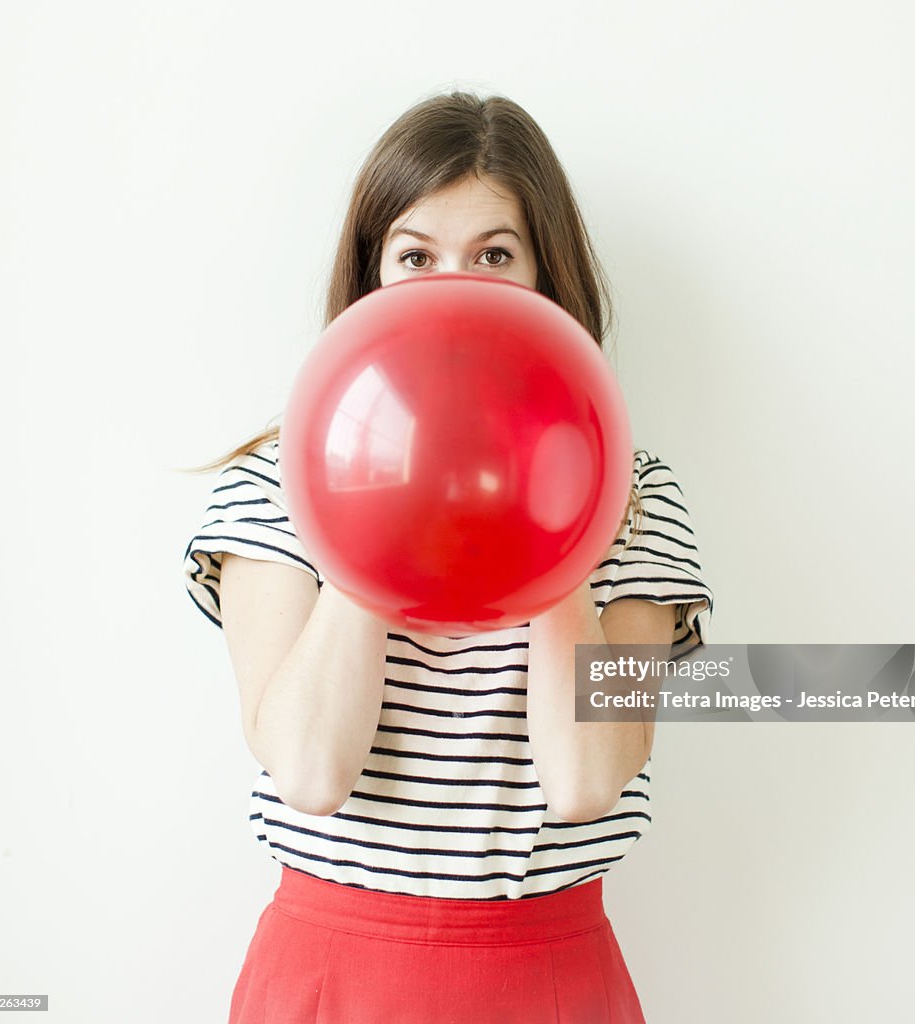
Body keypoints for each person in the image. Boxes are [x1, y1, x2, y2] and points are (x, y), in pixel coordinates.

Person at [182, 90, 714, 1024]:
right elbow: (309, 770)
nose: (454, 288)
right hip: (330, 976)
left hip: (550, 979)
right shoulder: (270, 485)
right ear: (371, 277)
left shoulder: (637, 494)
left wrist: (549, 509)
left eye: (495, 256)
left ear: (548, 279)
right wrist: (370, 502)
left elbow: (587, 780)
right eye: (416, 256)